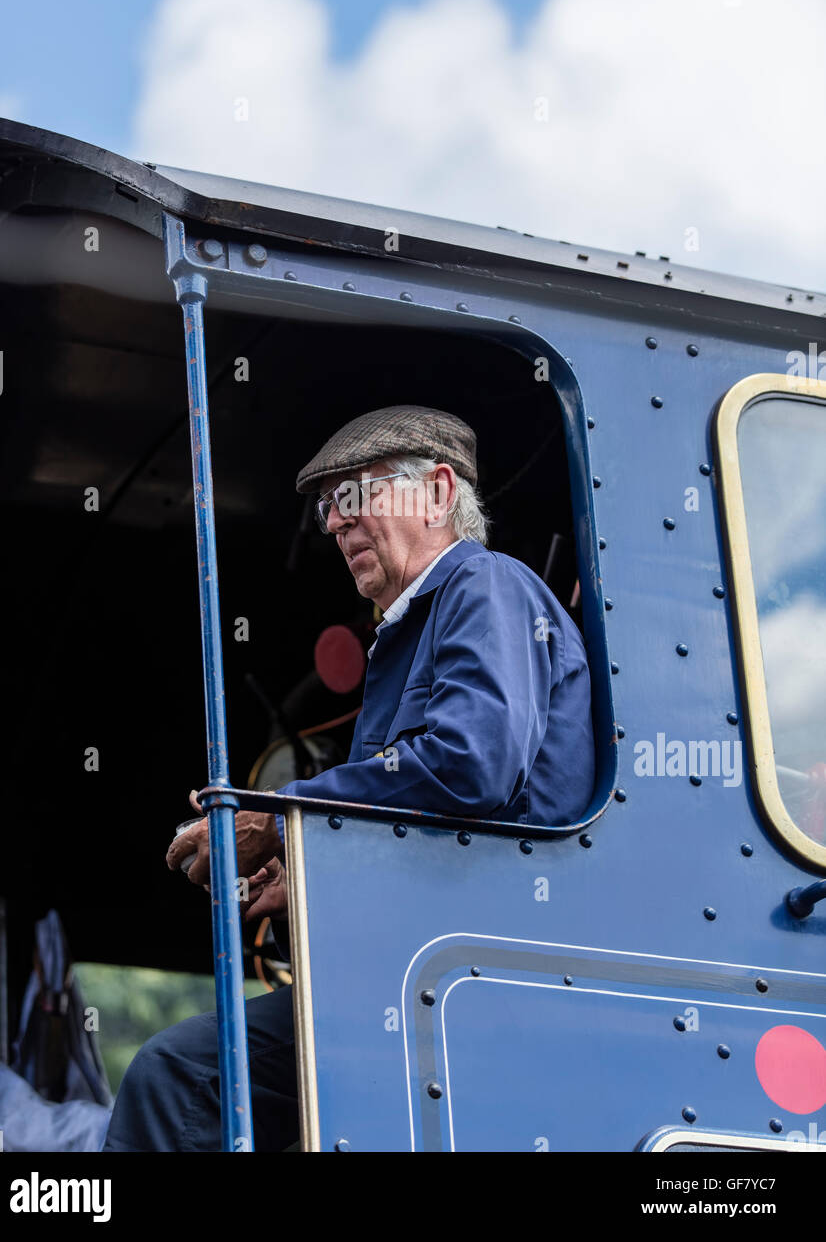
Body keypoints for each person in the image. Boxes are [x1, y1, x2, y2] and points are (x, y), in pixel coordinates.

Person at [103, 405, 595, 1152]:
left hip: (486, 978)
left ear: (436, 493)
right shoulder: (405, 636)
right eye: (330, 509)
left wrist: (278, 818)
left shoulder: (483, 586)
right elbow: (415, 821)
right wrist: (310, 873)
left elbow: (471, 766)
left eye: (355, 497)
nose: (336, 524)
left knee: (182, 1074)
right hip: (426, 972)